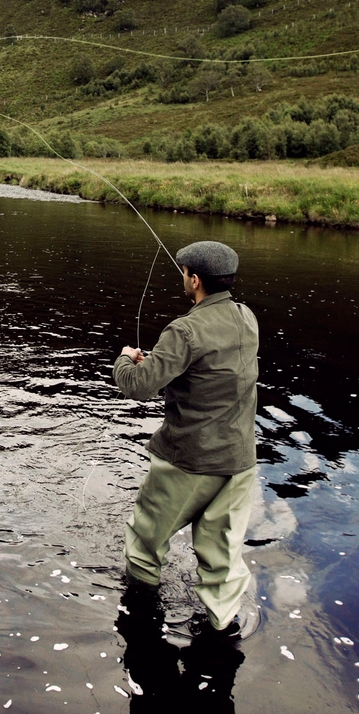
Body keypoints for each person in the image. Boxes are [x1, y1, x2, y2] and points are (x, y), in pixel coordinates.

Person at [112, 239, 260, 641]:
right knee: (222, 560)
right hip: (240, 463)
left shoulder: (185, 329)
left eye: (184, 273)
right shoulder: (248, 318)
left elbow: (139, 386)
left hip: (188, 462)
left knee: (145, 544)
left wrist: (126, 359)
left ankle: (139, 621)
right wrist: (167, 365)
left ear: (194, 280)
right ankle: (221, 630)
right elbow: (212, 373)